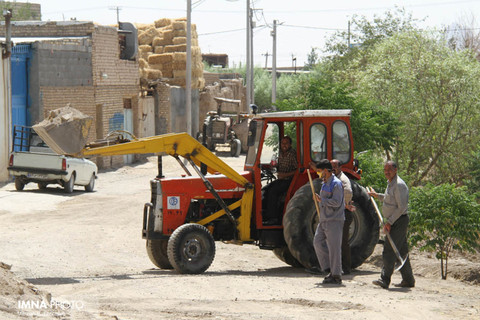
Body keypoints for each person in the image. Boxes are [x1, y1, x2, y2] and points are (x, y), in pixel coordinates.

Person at [367, 161, 415, 289]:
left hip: (398, 221)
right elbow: (390, 200)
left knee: (389, 250)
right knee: (402, 251)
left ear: (395, 170)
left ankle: (384, 279)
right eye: (385, 170)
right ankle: (408, 280)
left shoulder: (399, 185)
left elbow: (401, 208)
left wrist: (389, 222)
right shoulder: (391, 183)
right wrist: (377, 196)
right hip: (394, 221)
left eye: (389, 169)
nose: (386, 172)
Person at [312, 159, 345, 285]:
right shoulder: (324, 183)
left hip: (334, 220)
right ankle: (328, 268)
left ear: (326, 170)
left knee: (334, 248)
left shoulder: (336, 184)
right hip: (324, 219)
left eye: (320, 172)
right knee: (317, 242)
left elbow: (337, 202)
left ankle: (336, 275)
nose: (319, 174)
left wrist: (322, 201)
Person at [263, 136, 297, 225]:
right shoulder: (281, 154)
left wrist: (285, 175)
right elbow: (278, 166)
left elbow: (298, 170)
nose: (284, 145)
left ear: (290, 144)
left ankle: (273, 218)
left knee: (273, 192)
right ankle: (265, 215)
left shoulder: (292, 154)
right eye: (282, 143)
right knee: (265, 189)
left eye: (286, 143)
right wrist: (272, 166)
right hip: (281, 179)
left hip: (289, 180)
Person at [331, 159, 354, 275]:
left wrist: (340, 204)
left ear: (340, 168)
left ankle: (346, 268)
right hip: (337, 213)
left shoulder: (343, 180)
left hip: (344, 213)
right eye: (331, 166)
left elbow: (348, 194)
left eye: (335, 166)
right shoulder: (333, 179)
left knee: (343, 242)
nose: (333, 169)